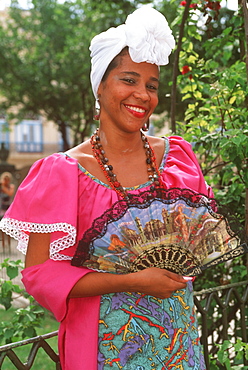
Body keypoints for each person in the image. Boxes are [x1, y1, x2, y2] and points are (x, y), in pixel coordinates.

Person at [0, 7, 213, 370]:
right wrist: (132, 281)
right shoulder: (63, 173)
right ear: (100, 85)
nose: (142, 95)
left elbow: (201, 237)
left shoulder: (176, 158)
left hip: (179, 340)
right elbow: (40, 273)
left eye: (151, 85)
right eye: (128, 80)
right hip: (107, 348)